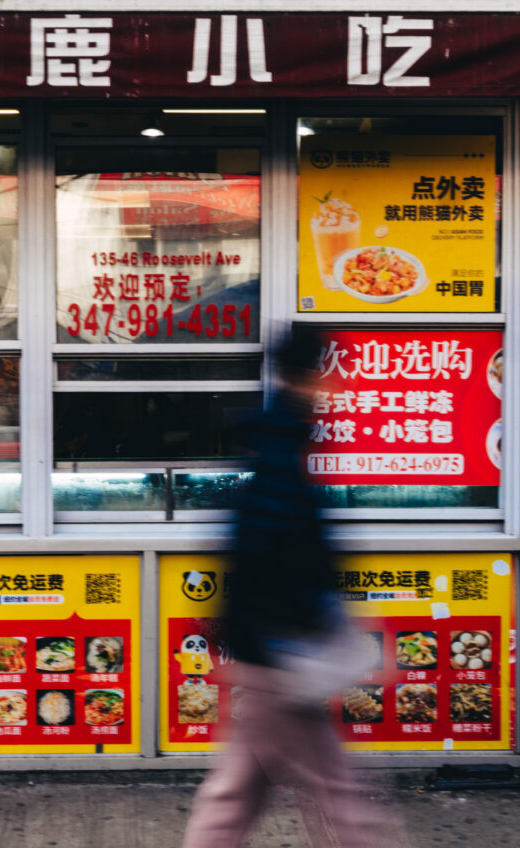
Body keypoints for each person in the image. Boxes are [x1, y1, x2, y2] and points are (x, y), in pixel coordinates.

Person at [180, 329, 374, 848]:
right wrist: (308, 630)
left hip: (269, 654)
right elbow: (273, 555)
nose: (335, 385)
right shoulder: (282, 453)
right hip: (281, 659)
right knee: (337, 794)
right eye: (326, 374)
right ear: (304, 377)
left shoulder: (279, 442)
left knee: (235, 795)